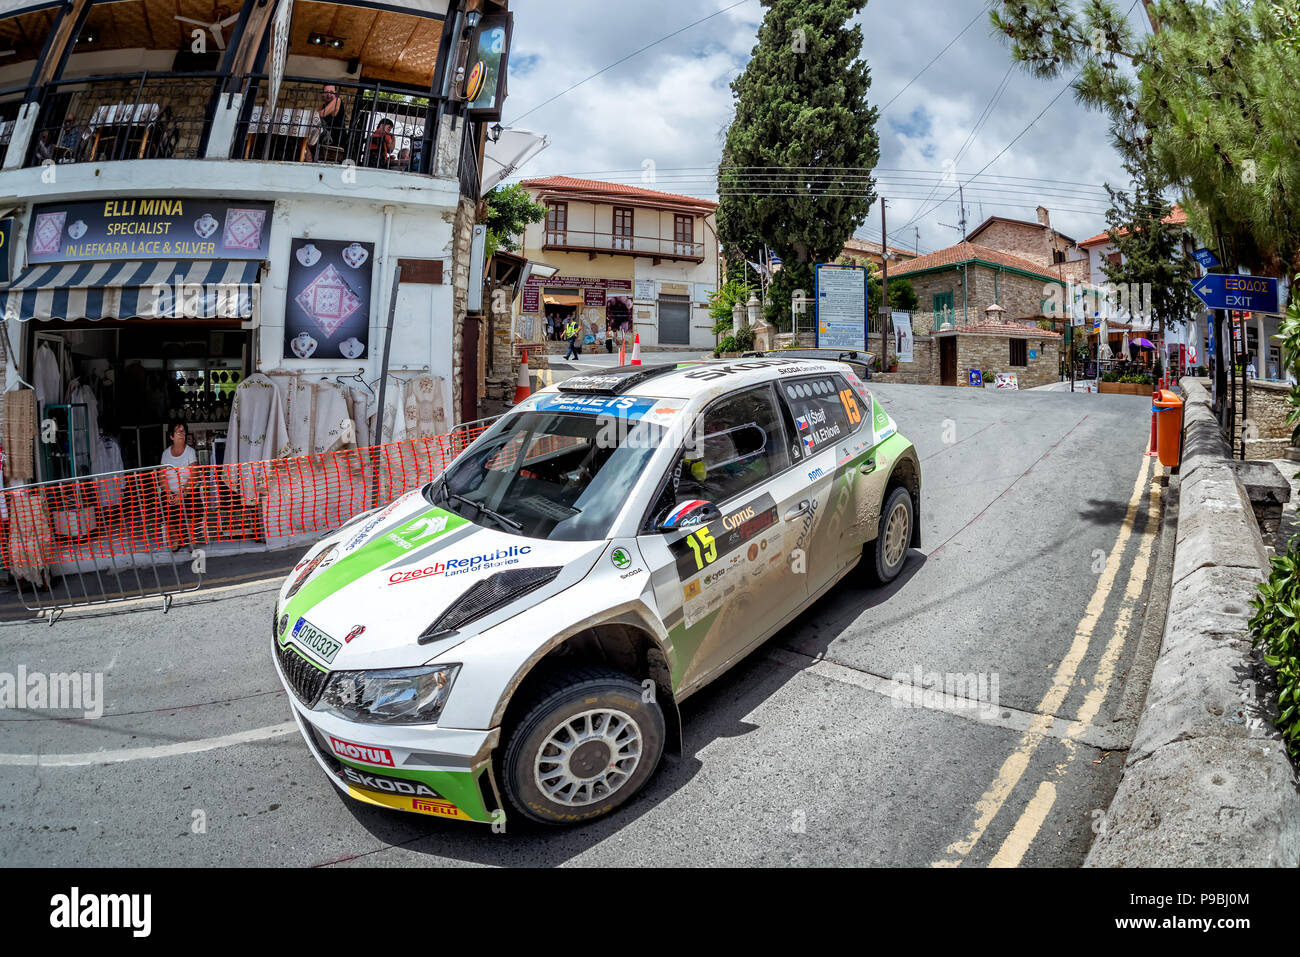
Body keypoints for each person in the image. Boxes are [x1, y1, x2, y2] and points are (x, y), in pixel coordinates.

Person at [160, 420, 198, 552]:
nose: (182, 434)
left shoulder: (190, 452)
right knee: (166, 503)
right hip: (171, 492)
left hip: (186, 491)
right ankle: (175, 540)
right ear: (171, 436)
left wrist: (182, 493)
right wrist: (168, 493)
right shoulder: (165, 454)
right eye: (178, 431)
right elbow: (162, 477)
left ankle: (191, 539)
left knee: (191, 503)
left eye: (183, 431)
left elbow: (194, 476)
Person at [307, 84, 346, 162]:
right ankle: (308, 156)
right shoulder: (323, 106)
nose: (329, 94)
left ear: (336, 93)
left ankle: (309, 156)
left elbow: (321, 114)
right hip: (323, 136)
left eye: (331, 92)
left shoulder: (337, 100)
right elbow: (315, 116)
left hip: (334, 137)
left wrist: (310, 115)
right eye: (326, 92)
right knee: (304, 137)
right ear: (323, 94)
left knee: (308, 140)